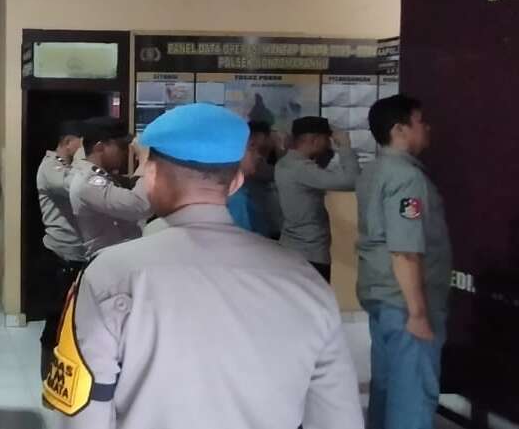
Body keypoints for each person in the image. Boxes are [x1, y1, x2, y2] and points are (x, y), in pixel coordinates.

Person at [44, 103, 362, 429]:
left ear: (151, 176)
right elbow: (339, 417)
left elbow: (85, 413)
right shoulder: (306, 281)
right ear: (236, 182)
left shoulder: (108, 276)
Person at [356, 95, 450, 429]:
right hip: (404, 304)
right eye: (419, 121)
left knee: (387, 390)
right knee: (412, 397)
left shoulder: (373, 171)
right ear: (399, 129)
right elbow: (405, 249)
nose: (427, 128)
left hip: (382, 298)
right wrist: (418, 313)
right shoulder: (407, 178)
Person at [275, 116, 361, 282]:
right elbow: (352, 180)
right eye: (326, 139)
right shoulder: (301, 169)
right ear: (315, 140)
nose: (329, 143)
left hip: (291, 249)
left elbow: (319, 172)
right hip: (310, 253)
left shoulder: (285, 164)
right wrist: (345, 146)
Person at [36, 120, 84, 378]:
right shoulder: (51, 167)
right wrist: (86, 160)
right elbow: (75, 187)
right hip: (60, 254)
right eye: (80, 143)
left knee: (75, 324)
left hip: (79, 254)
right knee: (56, 322)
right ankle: (48, 378)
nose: (83, 148)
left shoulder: (70, 167)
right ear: (67, 142)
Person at [68, 117, 151, 257]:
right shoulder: (88, 183)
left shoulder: (99, 175)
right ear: (100, 147)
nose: (125, 152)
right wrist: (145, 161)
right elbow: (139, 206)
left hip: (116, 256)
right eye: (121, 146)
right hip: (107, 261)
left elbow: (131, 191)